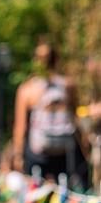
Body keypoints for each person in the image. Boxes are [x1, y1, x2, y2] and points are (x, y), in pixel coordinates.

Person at [12, 38, 88, 190]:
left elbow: (21, 126)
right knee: (69, 190)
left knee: (36, 191)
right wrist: (84, 145)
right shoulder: (67, 85)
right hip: (65, 148)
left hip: (38, 150)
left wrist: (18, 155)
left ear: (35, 61)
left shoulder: (27, 89)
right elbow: (77, 117)